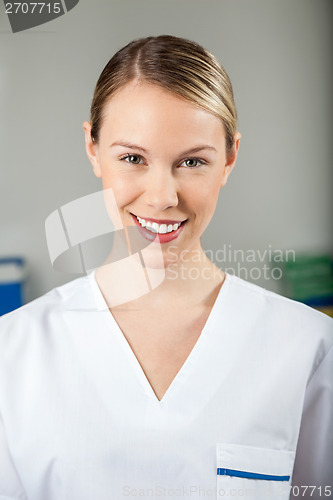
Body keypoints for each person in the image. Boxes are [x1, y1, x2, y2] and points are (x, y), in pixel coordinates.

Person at [0, 35, 332, 500]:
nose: (162, 197)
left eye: (192, 161)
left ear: (230, 158)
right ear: (93, 149)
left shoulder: (308, 348)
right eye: (132, 158)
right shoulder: (13, 354)